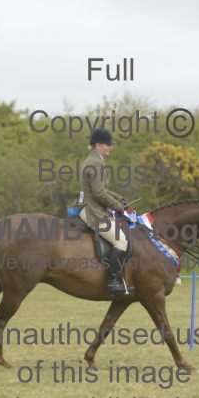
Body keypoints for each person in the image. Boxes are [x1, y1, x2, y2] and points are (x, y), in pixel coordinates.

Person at [79, 127, 135, 296]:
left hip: (88, 207)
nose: (111, 147)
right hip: (95, 212)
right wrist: (119, 208)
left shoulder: (94, 159)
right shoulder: (96, 163)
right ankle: (112, 284)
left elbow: (102, 190)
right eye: (108, 144)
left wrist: (119, 199)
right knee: (121, 242)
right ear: (98, 145)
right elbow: (99, 194)